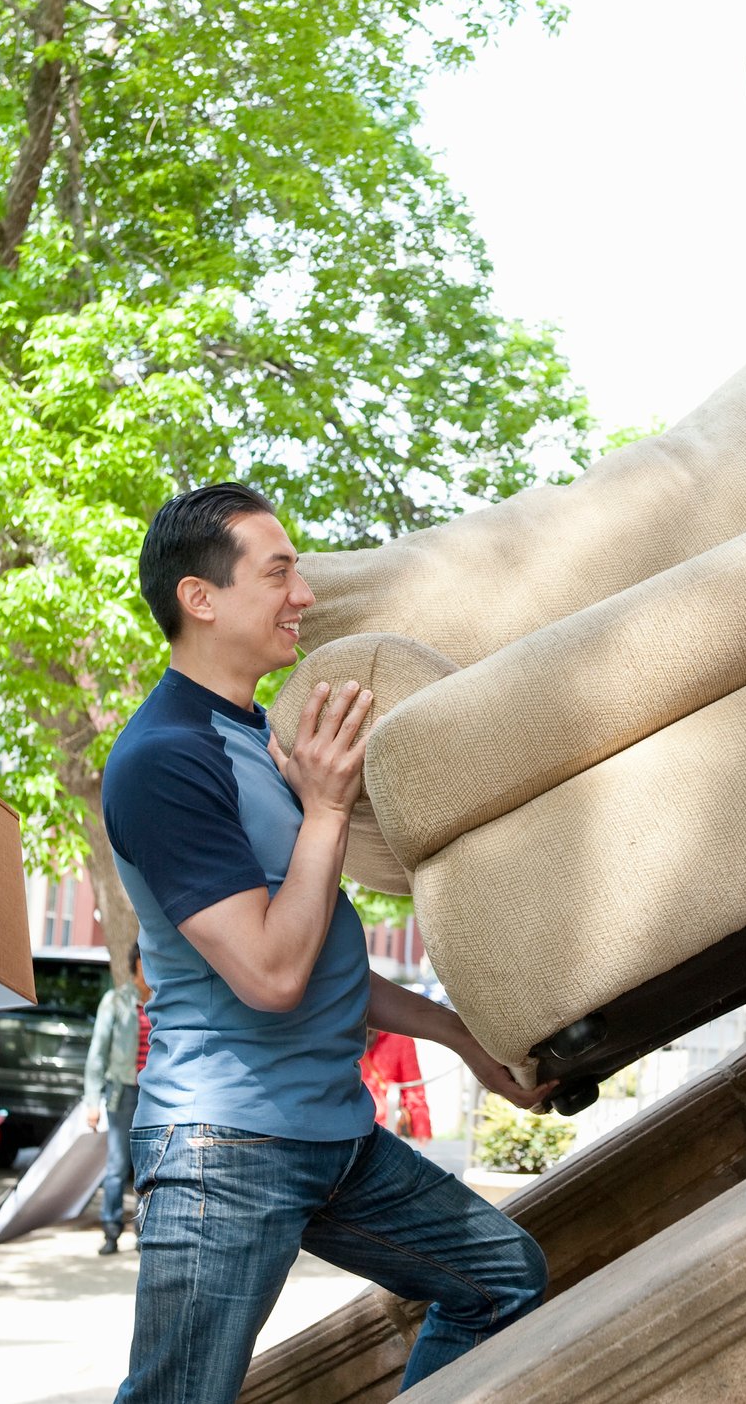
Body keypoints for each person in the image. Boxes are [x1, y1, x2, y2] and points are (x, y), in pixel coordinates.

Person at [103, 482, 555, 1404]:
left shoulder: (259, 741)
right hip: (225, 1145)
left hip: (333, 1135)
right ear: (201, 599)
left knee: (501, 1279)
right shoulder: (164, 758)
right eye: (279, 574)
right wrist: (327, 810)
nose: (303, 595)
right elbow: (271, 974)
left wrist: (463, 1037)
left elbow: (317, 951)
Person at [83, 941, 151, 1255]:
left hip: (154, 1094)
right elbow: (97, 1054)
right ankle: (111, 1231)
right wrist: (92, 1101)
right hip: (122, 1093)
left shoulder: (162, 999)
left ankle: (143, 1231)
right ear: (138, 962)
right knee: (117, 1164)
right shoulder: (116, 1001)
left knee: (148, 1166)